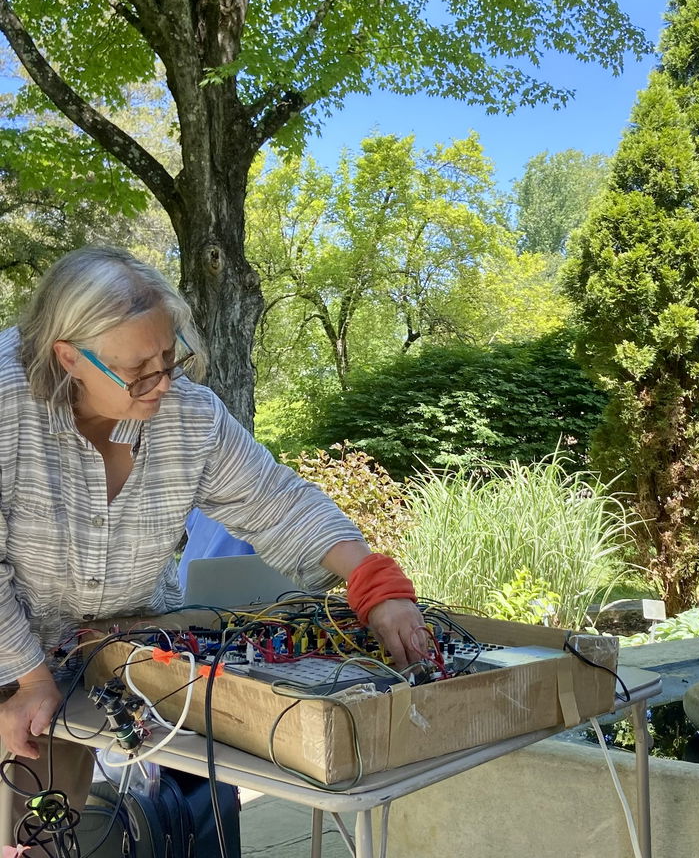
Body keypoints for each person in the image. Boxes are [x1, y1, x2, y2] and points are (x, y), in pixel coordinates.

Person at [0, 245, 427, 835]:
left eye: (170, 358)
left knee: (51, 832)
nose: (161, 384)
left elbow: (278, 501)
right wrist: (28, 678)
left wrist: (375, 583)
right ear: (69, 357)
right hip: (11, 661)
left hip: (92, 653)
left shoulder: (189, 415)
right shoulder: (5, 404)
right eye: (138, 372)